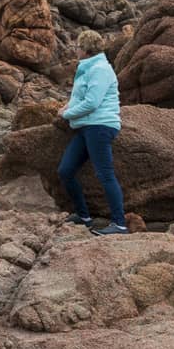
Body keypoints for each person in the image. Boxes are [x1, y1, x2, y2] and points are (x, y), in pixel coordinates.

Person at [58, 29, 127, 234]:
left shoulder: (100, 69)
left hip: (100, 126)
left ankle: (119, 224)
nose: (75, 50)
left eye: (78, 46)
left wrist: (66, 114)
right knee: (66, 170)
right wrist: (67, 107)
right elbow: (81, 97)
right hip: (86, 126)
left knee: (105, 174)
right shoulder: (87, 67)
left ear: (86, 49)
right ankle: (84, 216)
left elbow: (92, 102)